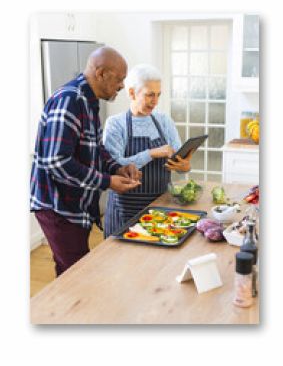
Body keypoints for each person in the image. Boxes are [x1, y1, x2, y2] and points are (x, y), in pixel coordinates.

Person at [30, 46, 141, 276]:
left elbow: (96, 149)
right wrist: (107, 181)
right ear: (100, 73)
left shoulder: (89, 101)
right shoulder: (70, 100)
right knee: (76, 277)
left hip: (73, 204)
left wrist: (117, 168)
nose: (122, 85)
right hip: (57, 205)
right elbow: (57, 161)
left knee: (70, 273)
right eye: (119, 79)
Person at [103, 63, 192, 238]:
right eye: (150, 95)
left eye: (158, 95)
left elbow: (179, 159)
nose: (155, 101)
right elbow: (114, 165)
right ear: (131, 93)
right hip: (124, 210)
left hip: (161, 207)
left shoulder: (164, 121)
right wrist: (152, 153)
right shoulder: (116, 124)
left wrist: (184, 166)